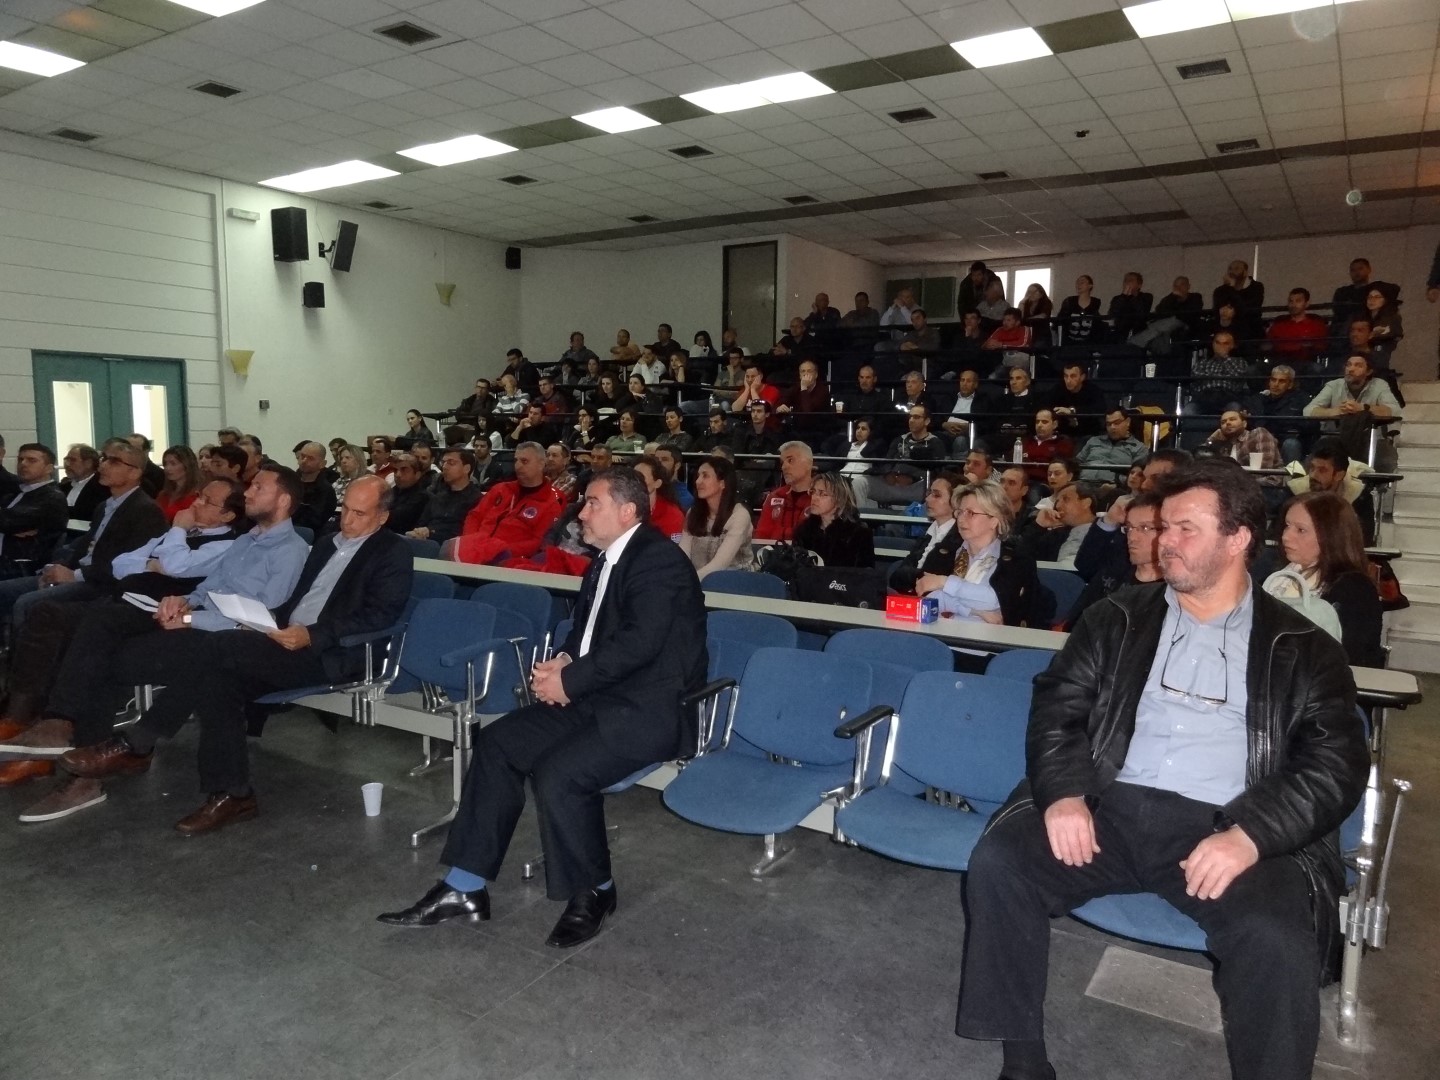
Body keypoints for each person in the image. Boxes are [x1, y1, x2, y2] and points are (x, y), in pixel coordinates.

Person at [956, 462, 1368, 1080]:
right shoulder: (1116, 618)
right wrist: (1064, 793)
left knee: (1275, 937)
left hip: (1228, 823)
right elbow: (1058, 709)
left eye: (1185, 529)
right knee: (1001, 862)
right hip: (1109, 804)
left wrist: (1253, 835)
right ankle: (1023, 1062)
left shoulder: (1305, 648)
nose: (1163, 541)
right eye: (1162, 526)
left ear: (1238, 538)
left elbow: (1336, 764)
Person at [377, 467, 707, 948]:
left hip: (645, 709)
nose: (581, 512)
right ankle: (465, 886)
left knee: (561, 774)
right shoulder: (606, 560)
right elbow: (588, 633)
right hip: (596, 696)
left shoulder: (659, 563)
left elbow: (640, 644)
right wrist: (565, 662)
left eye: (592, 503)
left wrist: (570, 681)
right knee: (498, 743)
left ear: (627, 511)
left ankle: (596, 890)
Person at [56, 477, 412, 833]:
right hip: (283, 638)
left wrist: (311, 634)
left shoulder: (392, 552)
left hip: (330, 653)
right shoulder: (326, 543)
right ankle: (233, 794)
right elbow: (295, 601)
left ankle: (138, 742)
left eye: (359, 514)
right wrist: (261, 623)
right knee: (217, 679)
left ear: (382, 517)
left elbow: (380, 615)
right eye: (345, 509)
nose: (347, 520)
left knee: (218, 646)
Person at [0, 440, 167, 632]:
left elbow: (127, 563)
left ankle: (28, 651)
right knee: (4, 590)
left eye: (114, 461)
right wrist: (57, 568)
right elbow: (84, 548)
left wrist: (74, 575)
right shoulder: (104, 507)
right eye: (104, 459)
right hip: (83, 574)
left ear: (134, 472)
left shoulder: (145, 510)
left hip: (104, 584)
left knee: (27, 603)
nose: (103, 465)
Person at [1272, 491, 1382, 668]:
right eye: (1287, 526)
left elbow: (1349, 659)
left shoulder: (1354, 590)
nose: (1285, 536)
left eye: (1301, 530)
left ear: (1331, 536)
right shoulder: (1279, 578)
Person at [913, 479, 1039, 627]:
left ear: (994, 520)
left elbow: (995, 600)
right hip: (938, 635)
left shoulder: (1016, 561)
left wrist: (943, 582)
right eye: (960, 512)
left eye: (970, 513)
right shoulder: (943, 553)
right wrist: (975, 611)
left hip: (989, 640)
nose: (961, 519)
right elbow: (929, 599)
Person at [448, 443, 565, 566]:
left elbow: (537, 543)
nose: (517, 466)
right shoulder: (501, 489)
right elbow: (475, 516)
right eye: (516, 460)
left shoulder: (550, 504)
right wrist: (472, 541)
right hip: (473, 551)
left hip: (505, 562)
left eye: (524, 461)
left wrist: (498, 550)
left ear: (541, 464)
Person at [1065, 490, 1164, 628]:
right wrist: (1110, 520)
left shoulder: (1173, 589)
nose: (1132, 537)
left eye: (1145, 528)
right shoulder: (1117, 563)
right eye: (1129, 527)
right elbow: (1085, 565)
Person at [850, 405, 946, 509]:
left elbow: (937, 470)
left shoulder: (935, 442)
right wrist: (888, 474)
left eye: (916, 417)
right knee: (860, 482)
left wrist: (914, 478)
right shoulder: (898, 440)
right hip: (893, 484)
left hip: (918, 487)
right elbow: (888, 462)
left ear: (927, 421)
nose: (911, 420)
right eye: (910, 417)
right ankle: (859, 517)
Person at [0, 443, 69, 582]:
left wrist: (8, 524)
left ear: (49, 468)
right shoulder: (14, 494)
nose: (23, 464)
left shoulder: (52, 497)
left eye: (32, 460)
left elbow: (9, 523)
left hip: (21, 566)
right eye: (20, 459)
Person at [679, 457, 752, 580]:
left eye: (705, 476)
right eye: (698, 476)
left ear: (722, 483)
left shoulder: (739, 515)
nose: (698, 481)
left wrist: (688, 582)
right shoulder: (693, 513)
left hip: (735, 582)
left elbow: (720, 564)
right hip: (696, 581)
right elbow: (683, 554)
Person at [888, 473, 961, 594]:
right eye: (929, 493)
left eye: (936, 495)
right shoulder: (929, 533)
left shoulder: (960, 538)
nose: (927, 499)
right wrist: (918, 576)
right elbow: (897, 576)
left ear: (956, 502)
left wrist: (913, 576)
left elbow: (936, 579)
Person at [1302, 437, 1376, 546]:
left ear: (1339, 475)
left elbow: (1364, 540)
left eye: (1322, 470)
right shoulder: (1297, 491)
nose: (1313, 475)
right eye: (1312, 468)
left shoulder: (1358, 496)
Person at [793, 473, 874, 568]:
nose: (814, 498)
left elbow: (864, 573)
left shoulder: (859, 534)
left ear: (840, 499)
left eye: (823, 494)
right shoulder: (804, 530)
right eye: (813, 492)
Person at [408, 448, 483, 546]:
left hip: (453, 546)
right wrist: (419, 532)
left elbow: (463, 532)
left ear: (466, 469)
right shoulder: (438, 496)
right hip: (425, 542)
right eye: (443, 462)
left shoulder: (477, 500)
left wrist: (431, 532)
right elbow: (421, 523)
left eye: (451, 463)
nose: (444, 467)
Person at [753, 442, 815, 543]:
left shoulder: (821, 497)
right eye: (782, 462)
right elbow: (761, 536)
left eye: (790, 460)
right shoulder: (775, 496)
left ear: (809, 464)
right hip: (773, 551)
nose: (784, 467)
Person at [1074, 408, 1146, 482]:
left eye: (1117, 423)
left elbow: (1137, 477)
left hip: (1114, 485)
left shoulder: (1139, 448)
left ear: (1128, 422)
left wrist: (1117, 479)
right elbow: (1076, 463)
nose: (1112, 427)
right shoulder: (1094, 441)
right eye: (1108, 424)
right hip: (1082, 482)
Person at [633, 455, 685, 542]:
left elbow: (672, 549)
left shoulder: (673, 516)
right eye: (633, 477)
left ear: (657, 483)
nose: (635, 481)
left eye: (641, 477)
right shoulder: (620, 508)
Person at [292, 441, 338, 534]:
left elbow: (315, 521)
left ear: (322, 464)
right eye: (302, 456)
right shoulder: (290, 482)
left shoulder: (325, 490)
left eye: (310, 458)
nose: (304, 461)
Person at [1021, 409, 1073, 483]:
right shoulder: (1025, 441)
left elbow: (1057, 466)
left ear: (1054, 424)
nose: (1039, 425)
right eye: (1037, 422)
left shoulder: (1062, 443)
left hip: (1046, 482)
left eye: (1044, 422)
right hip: (1022, 480)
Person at [386, 453, 431, 535]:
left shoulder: (422, 497)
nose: (398, 474)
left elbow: (396, 519)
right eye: (395, 470)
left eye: (404, 470)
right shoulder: (390, 491)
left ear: (417, 475)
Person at [154, 446, 202, 522]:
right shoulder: (163, 495)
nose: (167, 468)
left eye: (173, 464)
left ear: (187, 466)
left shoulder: (196, 496)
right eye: (165, 464)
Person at [60, 443, 104, 522]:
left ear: (88, 463)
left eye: (72, 460)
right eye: (66, 460)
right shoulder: (62, 487)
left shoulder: (102, 488)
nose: (67, 464)